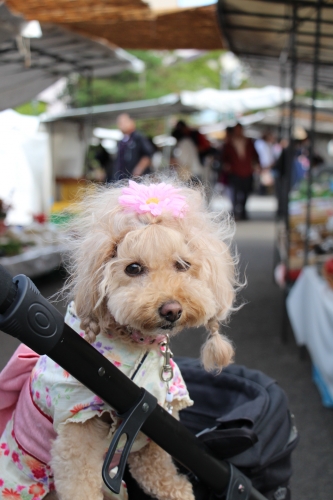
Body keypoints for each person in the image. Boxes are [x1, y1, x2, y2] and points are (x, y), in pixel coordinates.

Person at [221, 123, 260, 220]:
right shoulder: (229, 143)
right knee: (234, 192)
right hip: (234, 172)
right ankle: (234, 211)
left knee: (246, 192)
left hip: (247, 171)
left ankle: (243, 212)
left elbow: (255, 155)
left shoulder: (248, 142)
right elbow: (224, 157)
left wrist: (256, 165)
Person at [114, 113, 154, 180]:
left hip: (139, 179)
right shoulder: (121, 142)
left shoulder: (138, 137)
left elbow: (148, 154)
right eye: (120, 123)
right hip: (124, 179)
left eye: (125, 122)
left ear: (132, 122)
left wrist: (139, 169)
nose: (122, 125)